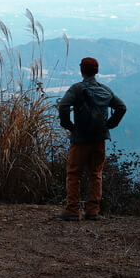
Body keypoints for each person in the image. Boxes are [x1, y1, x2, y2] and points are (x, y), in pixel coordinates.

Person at [57, 57, 127, 221]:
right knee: (96, 173)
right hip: (99, 138)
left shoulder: (77, 89)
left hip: (80, 138)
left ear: (81, 70)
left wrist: (69, 126)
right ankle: (92, 211)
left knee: (74, 174)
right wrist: (109, 125)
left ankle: (72, 210)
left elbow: (63, 106)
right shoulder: (105, 90)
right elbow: (121, 107)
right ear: (96, 71)